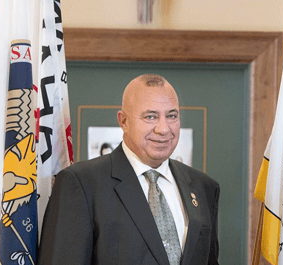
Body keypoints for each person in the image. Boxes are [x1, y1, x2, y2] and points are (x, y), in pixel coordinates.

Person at [38, 74, 220, 265]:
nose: (164, 129)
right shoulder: (81, 184)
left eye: (172, 116)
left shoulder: (203, 187)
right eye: (151, 117)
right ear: (123, 121)